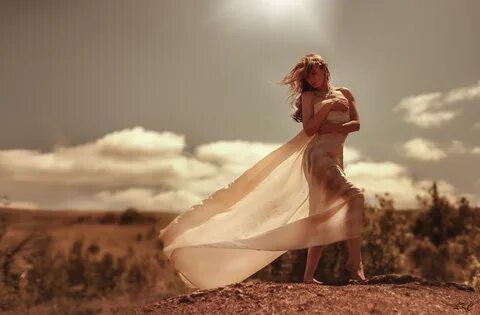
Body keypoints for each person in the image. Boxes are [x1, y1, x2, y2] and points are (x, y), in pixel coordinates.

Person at [158, 53, 366, 290]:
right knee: (355, 196)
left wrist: (330, 127)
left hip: (335, 157)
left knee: (318, 214)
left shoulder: (346, 93)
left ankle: (308, 277)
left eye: (314, 73)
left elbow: (356, 124)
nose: (312, 79)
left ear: (323, 68)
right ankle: (354, 261)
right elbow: (310, 129)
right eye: (308, 76)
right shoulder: (309, 96)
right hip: (317, 158)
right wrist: (327, 107)